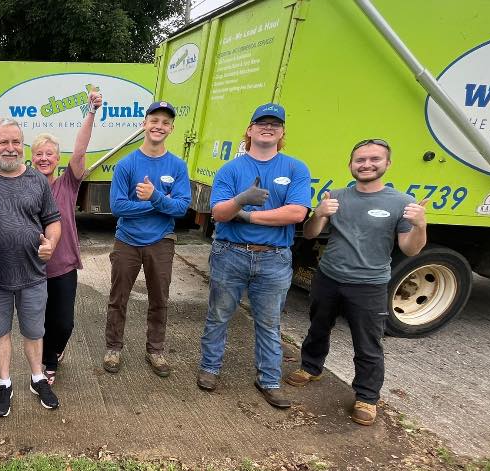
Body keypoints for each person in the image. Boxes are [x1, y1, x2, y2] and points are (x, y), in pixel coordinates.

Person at [286, 138, 427, 425]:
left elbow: (411, 249)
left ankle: (366, 396)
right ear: (351, 164)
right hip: (329, 277)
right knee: (318, 327)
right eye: (360, 160)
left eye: (374, 159)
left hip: (369, 284)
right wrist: (319, 214)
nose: (366, 165)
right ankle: (311, 367)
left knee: (368, 344)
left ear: (387, 164)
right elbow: (311, 234)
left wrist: (420, 225)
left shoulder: (402, 203)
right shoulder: (336, 197)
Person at [0, 86, 103, 384]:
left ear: (58, 158)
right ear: (30, 157)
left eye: (50, 154)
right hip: (27, 268)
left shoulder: (67, 184)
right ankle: (46, 364)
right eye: (39, 154)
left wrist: (91, 112)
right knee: (36, 323)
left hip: (61, 265)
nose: (44, 158)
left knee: (62, 322)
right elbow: (3, 143)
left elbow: (81, 150)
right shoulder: (24, 181)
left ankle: (53, 354)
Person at [197, 103, 311, 409]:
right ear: (249, 130)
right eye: (262, 122)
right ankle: (209, 368)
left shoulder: (295, 168)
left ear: (283, 132)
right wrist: (240, 200)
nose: (268, 127)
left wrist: (246, 216)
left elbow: (297, 212)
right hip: (230, 253)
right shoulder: (231, 170)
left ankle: (269, 380)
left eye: (275, 124)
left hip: (274, 258)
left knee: (269, 322)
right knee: (218, 315)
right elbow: (219, 212)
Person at [0, 118, 61, 416]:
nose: (10, 148)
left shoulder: (37, 180)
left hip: (33, 274)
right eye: (3, 142)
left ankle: (37, 378)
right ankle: (4, 382)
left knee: (34, 331)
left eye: (15, 142)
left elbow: (52, 220)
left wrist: (51, 243)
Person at [102, 101, 191, 378]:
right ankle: (113, 347)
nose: (159, 126)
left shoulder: (177, 166)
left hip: (161, 241)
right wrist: (159, 203)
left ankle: (155, 350)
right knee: (118, 298)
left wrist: (154, 196)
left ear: (172, 129)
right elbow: (117, 207)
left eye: (165, 123)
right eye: (154, 120)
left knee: (159, 299)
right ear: (144, 124)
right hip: (127, 240)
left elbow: (182, 208)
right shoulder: (127, 164)